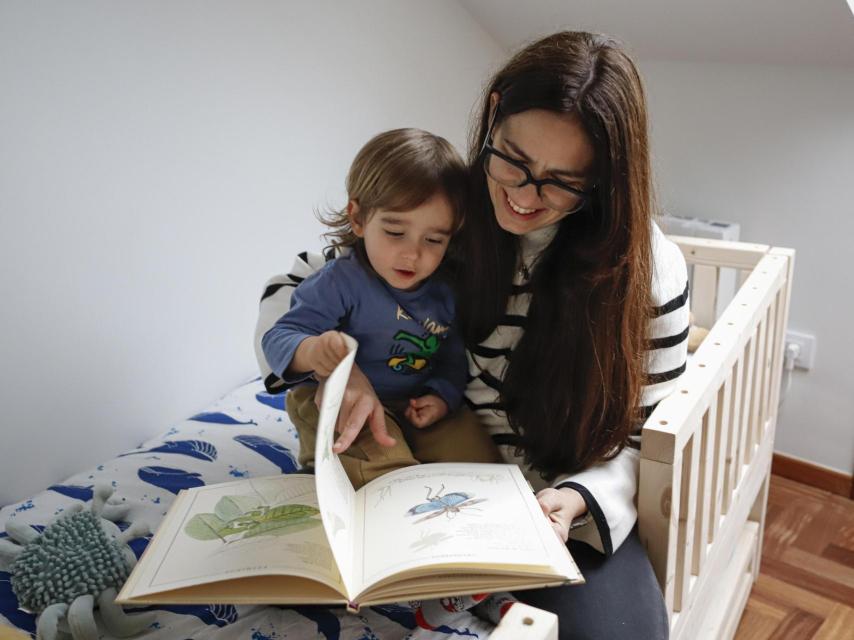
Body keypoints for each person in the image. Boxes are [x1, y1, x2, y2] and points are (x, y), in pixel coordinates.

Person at [255, 32, 688, 639]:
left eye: (561, 181)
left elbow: (642, 435)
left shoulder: (645, 272)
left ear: (605, 179)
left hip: (553, 496)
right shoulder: (446, 214)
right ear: (492, 116)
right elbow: (295, 288)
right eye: (511, 158)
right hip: (435, 462)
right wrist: (335, 362)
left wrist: (579, 500)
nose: (521, 195)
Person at [260, 127, 502, 489]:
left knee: (484, 472)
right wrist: (313, 351)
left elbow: (451, 352)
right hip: (339, 402)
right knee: (384, 479)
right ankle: (332, 472)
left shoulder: (445, 290)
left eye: (433, 240)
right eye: (395, 232)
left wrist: (441, 394)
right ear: (358, 218)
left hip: (412, 404)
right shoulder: (339, 281)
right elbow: (278, 337)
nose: (413, 254)